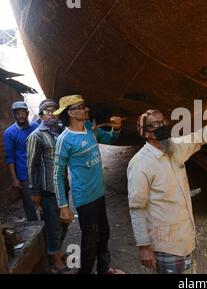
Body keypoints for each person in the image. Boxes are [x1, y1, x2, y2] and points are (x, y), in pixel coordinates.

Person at [127, 108, 207, 273]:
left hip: (186, 238)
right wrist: (144, 247)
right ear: (146, 133)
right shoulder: (140, 164)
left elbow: (198, 137)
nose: (163, 126)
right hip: (166, 244)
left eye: (164, 122)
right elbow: (137, 208)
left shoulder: (175, 148)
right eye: (156, 124)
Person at [52, 95, 125, 274]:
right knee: (90, 240)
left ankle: (104, 268)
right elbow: (57, 174)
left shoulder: (90, 127)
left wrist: (116, 129)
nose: (87, 109)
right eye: (82, 107)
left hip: (99, 193)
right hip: (85, 198)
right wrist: (63, 206)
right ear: (71, 113)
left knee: (104, 234)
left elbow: (109, 140)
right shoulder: (64, 139)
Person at [27, 99, 69, 273]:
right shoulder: (36, 136)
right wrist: (35, 192)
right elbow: (31, 166)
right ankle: (56, 261)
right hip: (47, 190)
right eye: (47, 111)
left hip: (62, 188)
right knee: (53, 225)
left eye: (54, 111)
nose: (51, 114)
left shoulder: (59, 133)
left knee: (64, 223)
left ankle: (55, 252)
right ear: (41, 115)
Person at [3, 101, 39, 221]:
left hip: (39, 171)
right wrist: (14, 178)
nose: (20, 116)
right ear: (13, 115)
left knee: (43, 201)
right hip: (24, 174)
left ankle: (46, 229)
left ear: (27, 113)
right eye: (17, 113)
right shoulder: (9, 133)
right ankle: (35, 229)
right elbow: (10, 157)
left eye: (23, 113)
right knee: (30, 205)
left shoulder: (35, 127)